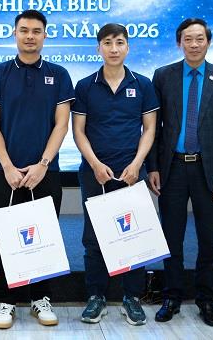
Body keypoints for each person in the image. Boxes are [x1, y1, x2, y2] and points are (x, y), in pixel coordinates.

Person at [0, 9, 75, 330]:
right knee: (5, 237)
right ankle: (6, 301)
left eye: (36, 31)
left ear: (45, 35)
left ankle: (40, 298)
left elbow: (61, 124)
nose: (30, 36)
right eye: (24, 30)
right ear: (15, 33)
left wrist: (43, 164)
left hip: (45, 171)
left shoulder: (59, 74)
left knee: (44, 236)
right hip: (4, 173)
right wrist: (7, 165)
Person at [147, 18, 213, 327]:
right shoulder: (163, 76)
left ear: (208, 42)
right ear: (179, 43)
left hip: (207, 170)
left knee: (208, 238)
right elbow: (153, 127)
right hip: (171, 169)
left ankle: (206, 299)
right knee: (171, 237)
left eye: (200, 38)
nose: (194, 44)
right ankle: (171, 296)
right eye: (188, 39)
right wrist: (153, 167)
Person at [72, 23, 158, 326]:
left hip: (131, 172)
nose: (113, 48)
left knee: (133, 234)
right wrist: (95, 163)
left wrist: (137, 164)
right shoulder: (85, 86)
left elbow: (150, 128)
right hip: (94, 173)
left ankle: (131, 297)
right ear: (98, 48)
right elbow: (78, 131)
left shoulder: (143, 84)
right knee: (94, 236)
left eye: (119, 42)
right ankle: (96, 296)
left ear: (128, 47)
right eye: (107, 43)